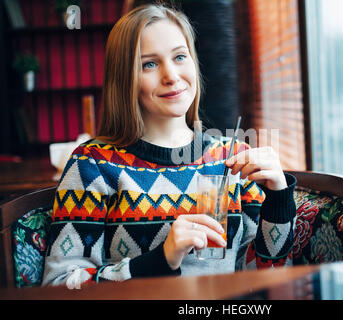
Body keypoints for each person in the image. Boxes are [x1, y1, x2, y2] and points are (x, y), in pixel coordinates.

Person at [42, 4, 297, 288]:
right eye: (149, 64)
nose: (171, 75)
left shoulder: (233, 158)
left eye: (179, 57)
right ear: (125, 78)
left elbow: (265, 275)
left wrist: (279, 200)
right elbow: (59, 285)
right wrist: (162, 259)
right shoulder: (92, 165)